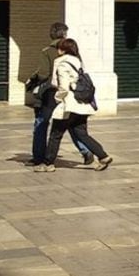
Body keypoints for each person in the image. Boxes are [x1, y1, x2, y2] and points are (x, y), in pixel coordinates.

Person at [38, 38, 112, 172]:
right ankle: (103, 156)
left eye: (60, 48)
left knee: (56, 134)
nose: (58, 50)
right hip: (82, 104)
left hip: (69, 105)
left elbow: (63, 87)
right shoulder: (78, 62)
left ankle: (48, 163)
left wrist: (57, 98)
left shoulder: (61, 64)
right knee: (82, 134)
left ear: (64, 50)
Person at [29, 22, 92, 167]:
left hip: (50, 92)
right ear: (64, 34)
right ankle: (86, 151)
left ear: (51, 34)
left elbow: (43, 74)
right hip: (69, 92)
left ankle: (39, 156)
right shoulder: (72, 51)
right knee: (72, 123)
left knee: (41, 122)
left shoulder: (47, 51)